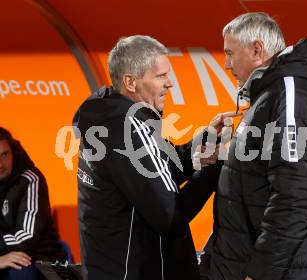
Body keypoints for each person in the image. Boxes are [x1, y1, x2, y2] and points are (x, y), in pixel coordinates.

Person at [75, 35, 229, 280]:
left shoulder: (107, 119)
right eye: (161, 76)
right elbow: (170, 216)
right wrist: (216, 169)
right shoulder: (129, 128)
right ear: (131, 82)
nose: (170, 84)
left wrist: (199, 147)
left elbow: (155, 170)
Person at [209, 13, 307, 279]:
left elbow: (294, 196)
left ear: (257, 49)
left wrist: (260, 273)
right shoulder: (271, 93)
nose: (226, 63)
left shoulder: (291, 93)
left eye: (230, 53)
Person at [0, 127, 66, 279]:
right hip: (3, 258)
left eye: (4, 155)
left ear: (13, 153)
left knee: (21, 269)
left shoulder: (30, 179)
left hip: (38, 259)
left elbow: (26, 237)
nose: (0, 163)